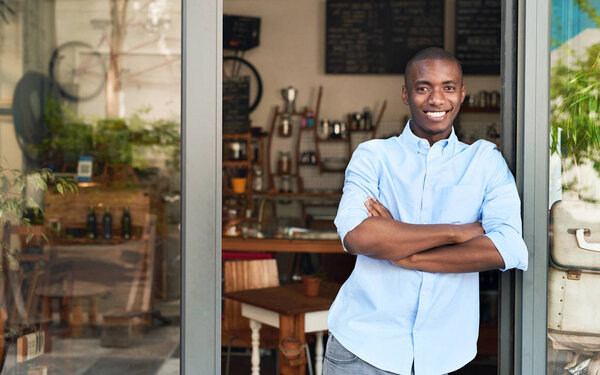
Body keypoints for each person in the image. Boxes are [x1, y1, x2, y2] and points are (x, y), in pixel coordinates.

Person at [324, 47, 528, 375]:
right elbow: (357, 236)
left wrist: (403, 253)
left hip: (442, 354)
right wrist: (456, 231)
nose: (436, 99)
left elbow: (507, 248)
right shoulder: (373, 157)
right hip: (362, 349)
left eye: (448, 87)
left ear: (462, 94)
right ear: (406, 94)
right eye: (423, 88)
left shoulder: (484, 162)